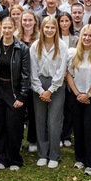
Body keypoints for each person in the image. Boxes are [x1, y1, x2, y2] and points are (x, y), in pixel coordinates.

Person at [0, 17, 31, 171]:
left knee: (14, 127)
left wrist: (22, 95)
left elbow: (25, 73)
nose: (7, 30)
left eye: (10, 27)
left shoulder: (22, 48)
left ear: (14, 28)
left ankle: (15, 159)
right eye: (4, 27)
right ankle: (2, 157)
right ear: (1, 28)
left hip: (14, 90)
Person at [66, 25, 91, 176]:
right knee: (78, 127)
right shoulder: (73, 54)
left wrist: (88, 94)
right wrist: (77, 94)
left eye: (90, 36)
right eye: (84, 35)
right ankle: (80, 158)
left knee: (90, 129)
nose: (87, 38)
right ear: (81, 37)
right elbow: (69, 75)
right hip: (77, 95)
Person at [30, 16, 69, 169]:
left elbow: (62, 70)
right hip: (39, 85)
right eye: (47, 27)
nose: (49, 30)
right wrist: (40, 90)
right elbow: (33, 71)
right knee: (40, 120)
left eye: (52, 28)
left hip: (56, 86)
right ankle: (42, 154)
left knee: (54, 121)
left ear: (56, 29)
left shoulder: (62, 46)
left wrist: (51, 90)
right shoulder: (35, 46)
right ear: (42, 28)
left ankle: (54, 155)